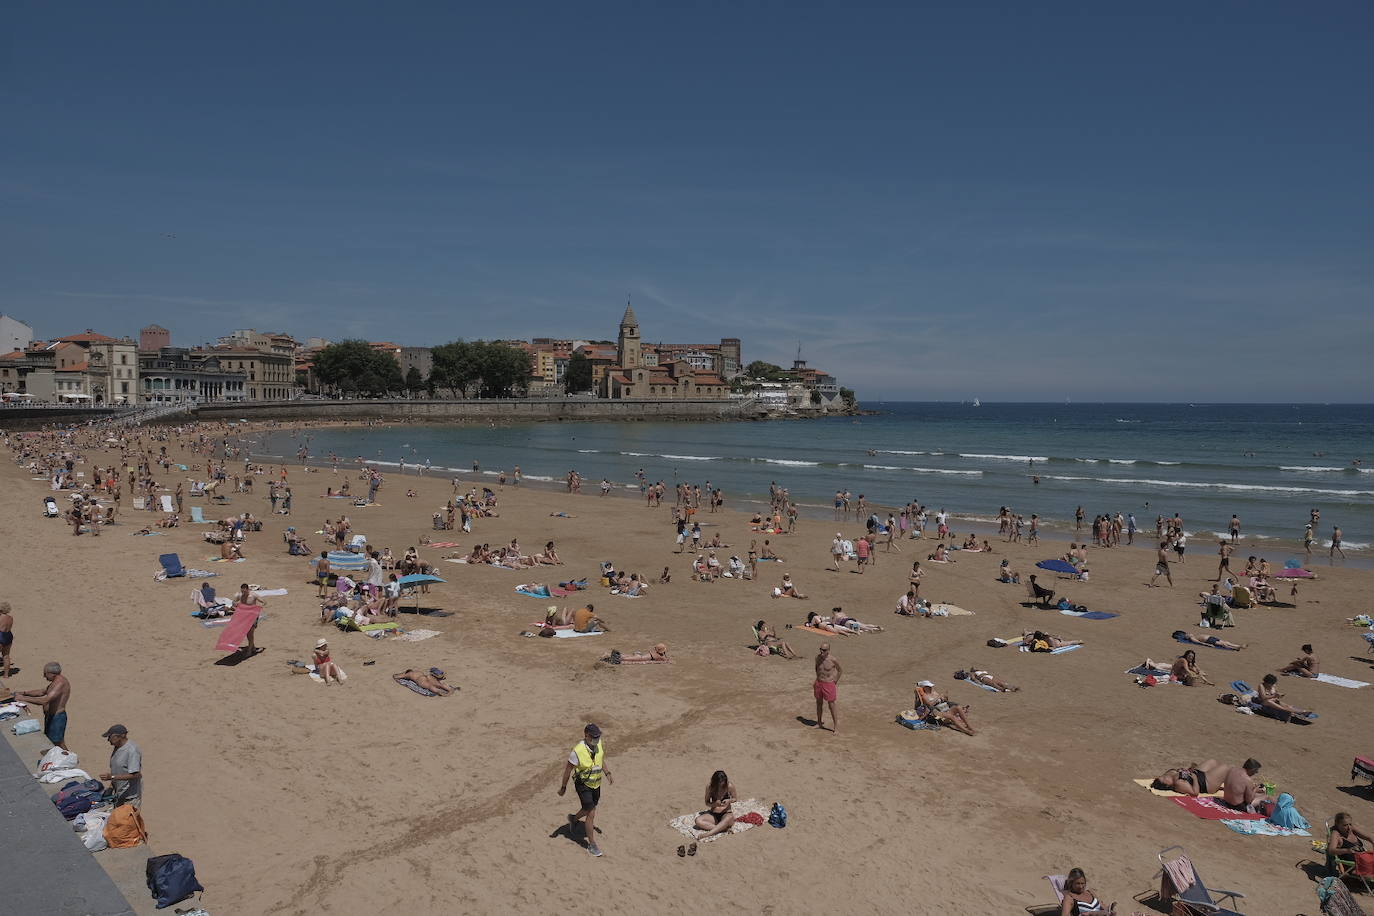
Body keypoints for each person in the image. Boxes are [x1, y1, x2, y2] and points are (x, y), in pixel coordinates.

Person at [559, 723, 612, 857]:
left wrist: (607, 773)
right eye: (594, 737)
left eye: (598, 736)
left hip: (596, 784)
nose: (597, 739)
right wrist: (563, 787)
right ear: (586, 735)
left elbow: (600, 759)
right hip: (583, 785)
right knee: (591, 812)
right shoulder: (577, 751)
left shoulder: (598, 744)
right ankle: (592, 845)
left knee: (589, 808)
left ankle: (573, 819)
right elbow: (567, 770)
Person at [16, 662, 71, 750]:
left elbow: (44, 701)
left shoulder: (60, 684)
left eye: (45, 674)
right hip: (50, 716)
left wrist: (23, 698)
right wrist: (24, 693)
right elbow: (41, 692)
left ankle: (70, 759)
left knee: (57, 742)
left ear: (51, 673)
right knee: (50, 741)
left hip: (57, 717)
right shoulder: (55, 681)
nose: (44, 676)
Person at [99, 724, 143, 807]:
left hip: (130, 798)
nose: (108, 740)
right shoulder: (117, 747)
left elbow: (136, 774)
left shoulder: (132, 750)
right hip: (119, 795)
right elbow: (117, 770)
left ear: (120, 736)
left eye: (110, 737)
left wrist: (111, 777)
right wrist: (111, 787)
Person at [691, 770, 738, 842]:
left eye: (723, 782)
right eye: (719, 783)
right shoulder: (710, 787)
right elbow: (707, 803)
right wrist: (714, 804)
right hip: (714, 814)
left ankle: (708, 834)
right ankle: (723, 829)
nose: (721, 784)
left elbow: (735, 798)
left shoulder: (729, 786)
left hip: (726, 813)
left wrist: (729, 801)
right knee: (698, 820)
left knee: (729, 817)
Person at [1150, 759, 1229, 796]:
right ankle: (1232, 786)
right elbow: (1195, 793)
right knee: (1225, 768)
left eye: (1162, 776)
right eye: (1164, 779)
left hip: (1197, 773)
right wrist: (1194, 779)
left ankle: (1220, 779)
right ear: (1167, 785)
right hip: (1206, 784)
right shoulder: (1179, 784)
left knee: (1212, 761)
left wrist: (1182, 770)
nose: (1164, 776)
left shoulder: (1170, 773)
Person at [812, 643, 841, 734]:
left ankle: (836, 726)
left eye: (824, 650)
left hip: (829, 683)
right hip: (819, 682)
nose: (821, 651)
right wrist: (816, 679)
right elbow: (817, 668)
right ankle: (819, 722)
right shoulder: (817, 658)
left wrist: (835, 680)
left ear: (828, 651)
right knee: (819, 703)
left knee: (831, 705)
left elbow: (840, 670)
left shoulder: (833, 660)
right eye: (820, 649)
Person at [953, 667, 1018, 692]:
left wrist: (978, 682)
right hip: (985, 677)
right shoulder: (973, 673)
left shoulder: (977, 672)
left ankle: (1009, 688)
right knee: (995, 684)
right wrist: (978, 682)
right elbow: (973, 679)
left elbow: (973, 678)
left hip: (987, 677)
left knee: (998, 683)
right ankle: (1005, 688)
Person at [1172, 630, 1247, 650]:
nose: (1188, 633)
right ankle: (1236, 647)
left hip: (1210, 637)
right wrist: (1208, 645)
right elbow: (1199, 643)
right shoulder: (1192, 638)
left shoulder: (1191, 636)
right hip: (1208, 640)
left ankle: (1238, 646)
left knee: (1225, 642)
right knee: (1223, 644)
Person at [0, 601, 14, 679]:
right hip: (8, 635)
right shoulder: (10, 618)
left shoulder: (0, 617)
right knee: (6, 656)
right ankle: (6, 675)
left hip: (0, 635)